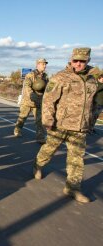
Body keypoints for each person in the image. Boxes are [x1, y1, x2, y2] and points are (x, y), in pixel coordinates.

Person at [33, 48, 98, 203]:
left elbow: (94, 104)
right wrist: (48, 120)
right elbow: (48, 100)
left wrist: (91, 122)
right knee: (49, 150)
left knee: (76, 160)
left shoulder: (91, 79)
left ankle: (72, 188)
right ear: (71, 59)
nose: (78, 64)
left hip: (80, 128)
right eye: (75, 60)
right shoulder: (61, 77)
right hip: (59, 125)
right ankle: (38, 165)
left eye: (82, 61)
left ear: (87, 60)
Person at [14, 58, 49, 144]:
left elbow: (48, 88)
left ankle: (40, 137)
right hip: (28, 101)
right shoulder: (30, 75)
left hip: (39, 102)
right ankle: (17, 130)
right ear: (37, 64)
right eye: (43, 64)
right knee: (22, 117)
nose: (44, 66)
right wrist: (32, 95)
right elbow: (27, 86)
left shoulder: (45, 76)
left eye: (45, 64)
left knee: (39, 120)